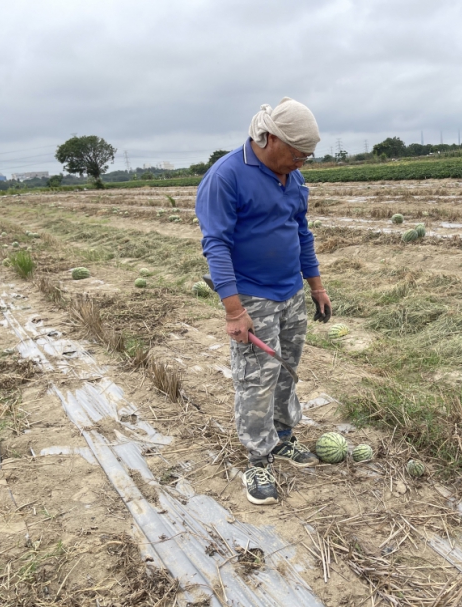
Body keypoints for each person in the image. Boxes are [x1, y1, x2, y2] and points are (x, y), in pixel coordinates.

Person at [195, 98, 332, 505]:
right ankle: (258, 459)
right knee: (256, 380)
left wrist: (317, 286)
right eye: (296, 153)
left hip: (290, 292)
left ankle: (283, 438)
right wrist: (234, 311)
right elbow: (215, 245)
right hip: (252, 297)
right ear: (269, 138)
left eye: (307, 156)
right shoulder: (226, 176)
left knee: (286, 371)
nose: (301, 162)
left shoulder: (295, 179)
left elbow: (301, 234)